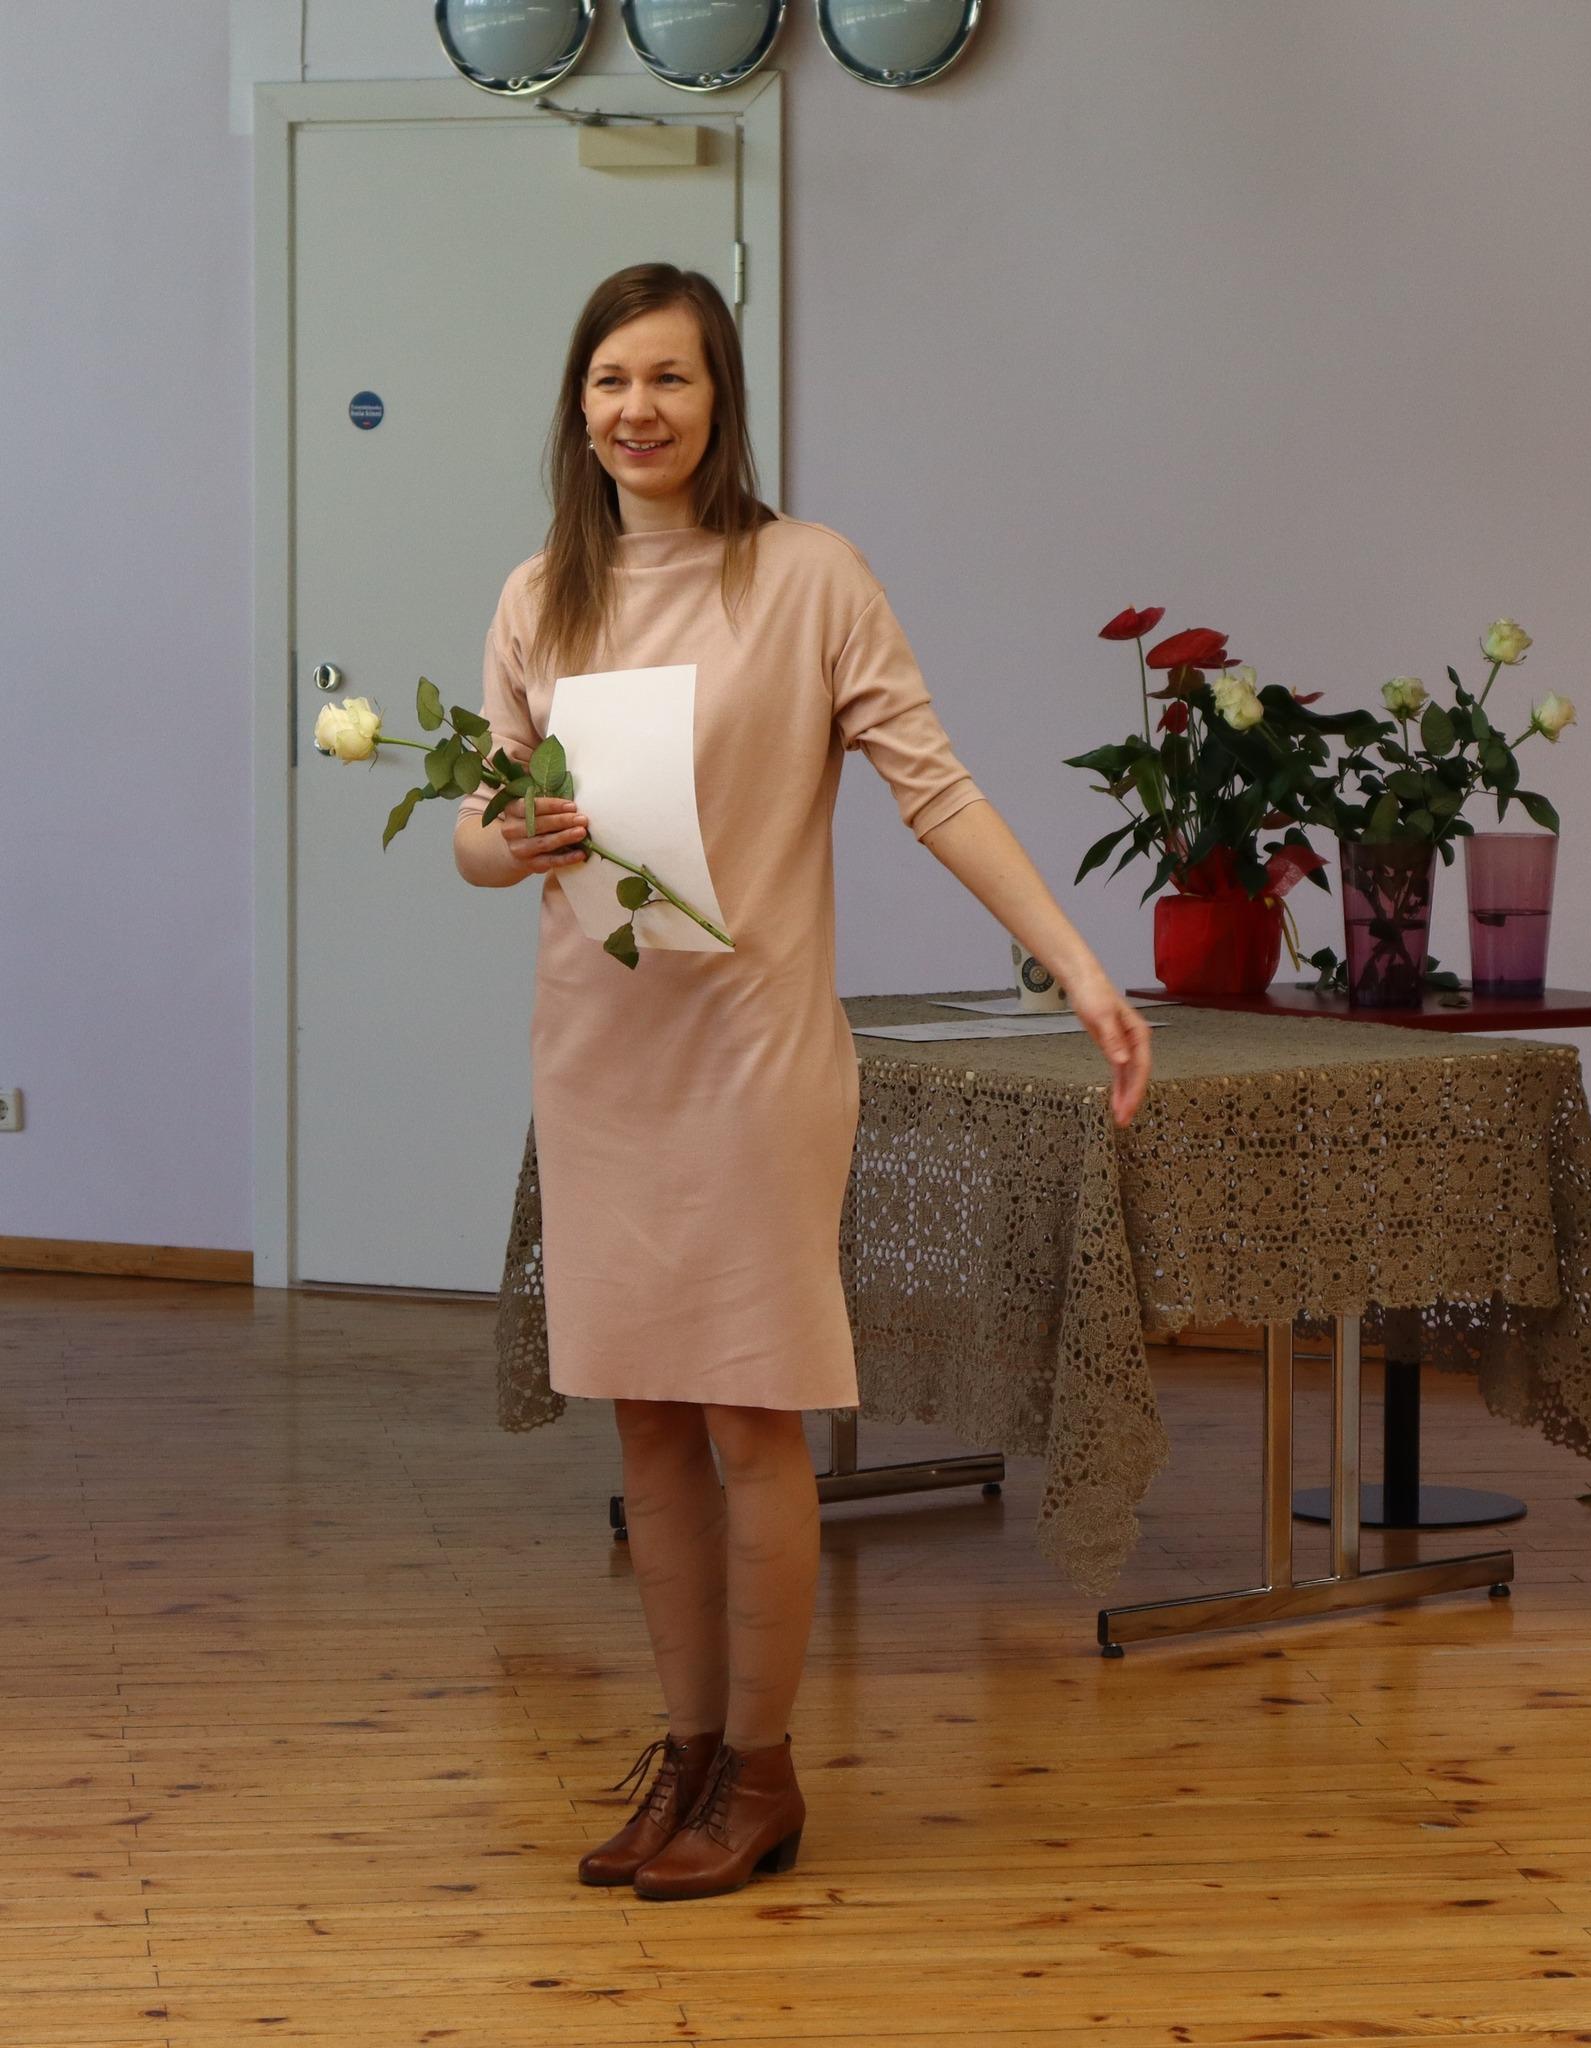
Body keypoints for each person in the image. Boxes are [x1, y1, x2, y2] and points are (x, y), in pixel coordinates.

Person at [453, 262, 1153, 1903]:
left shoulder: (809, 576)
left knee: (749, 1410)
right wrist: (514, 834)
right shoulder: (540, 597)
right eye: (611, 379)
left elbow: (937, 789)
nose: (638, 408)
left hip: (756, 1058)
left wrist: (1075, 962)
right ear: (578, 404)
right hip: (600, 1052)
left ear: (722, 399)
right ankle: (689, 1754)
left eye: (670, 378)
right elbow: (479, 833)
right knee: (644, 1418)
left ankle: (762, 1773)